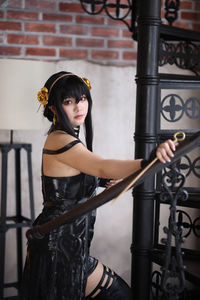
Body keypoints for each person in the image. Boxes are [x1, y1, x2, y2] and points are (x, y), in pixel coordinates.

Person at [20, 71, 176, 300]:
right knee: (120, 294)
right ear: (53, 108)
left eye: (82, 98)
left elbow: (84, 175)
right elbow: (101, 166)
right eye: (69, 102)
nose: (79, 107)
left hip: (68, 245)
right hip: (59, 247)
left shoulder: (66, 138)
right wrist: (149, 160)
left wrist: (102, 182)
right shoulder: (60, 140)